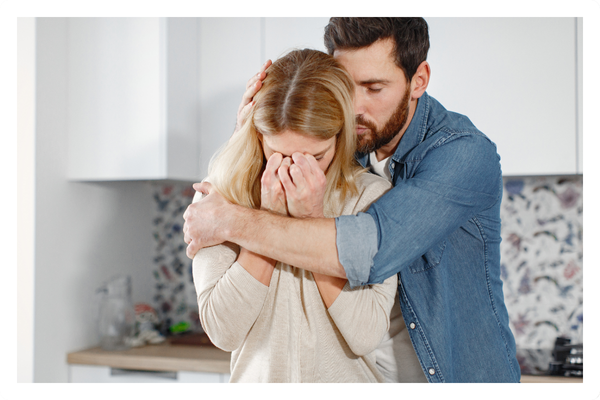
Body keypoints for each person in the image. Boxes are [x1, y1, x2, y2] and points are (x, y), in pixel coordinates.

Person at [184, 17, 521, 383]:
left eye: (374, 88)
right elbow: (296, 129)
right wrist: (248, 135)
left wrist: (229, 220)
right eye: (346, 86)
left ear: (418, 80)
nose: (355, 107)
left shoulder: (463, 154)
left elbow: (367, 246)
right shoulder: (346, 144)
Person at [192, 48, 399, 382]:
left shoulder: (371, 199)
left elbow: (365, 333)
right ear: (258, 136)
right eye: (280, 153)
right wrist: (267, 217)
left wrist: (311, 222)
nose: (294, 169)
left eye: (315, 156)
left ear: (340, 137)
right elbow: (223, 331)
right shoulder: (223, 198)